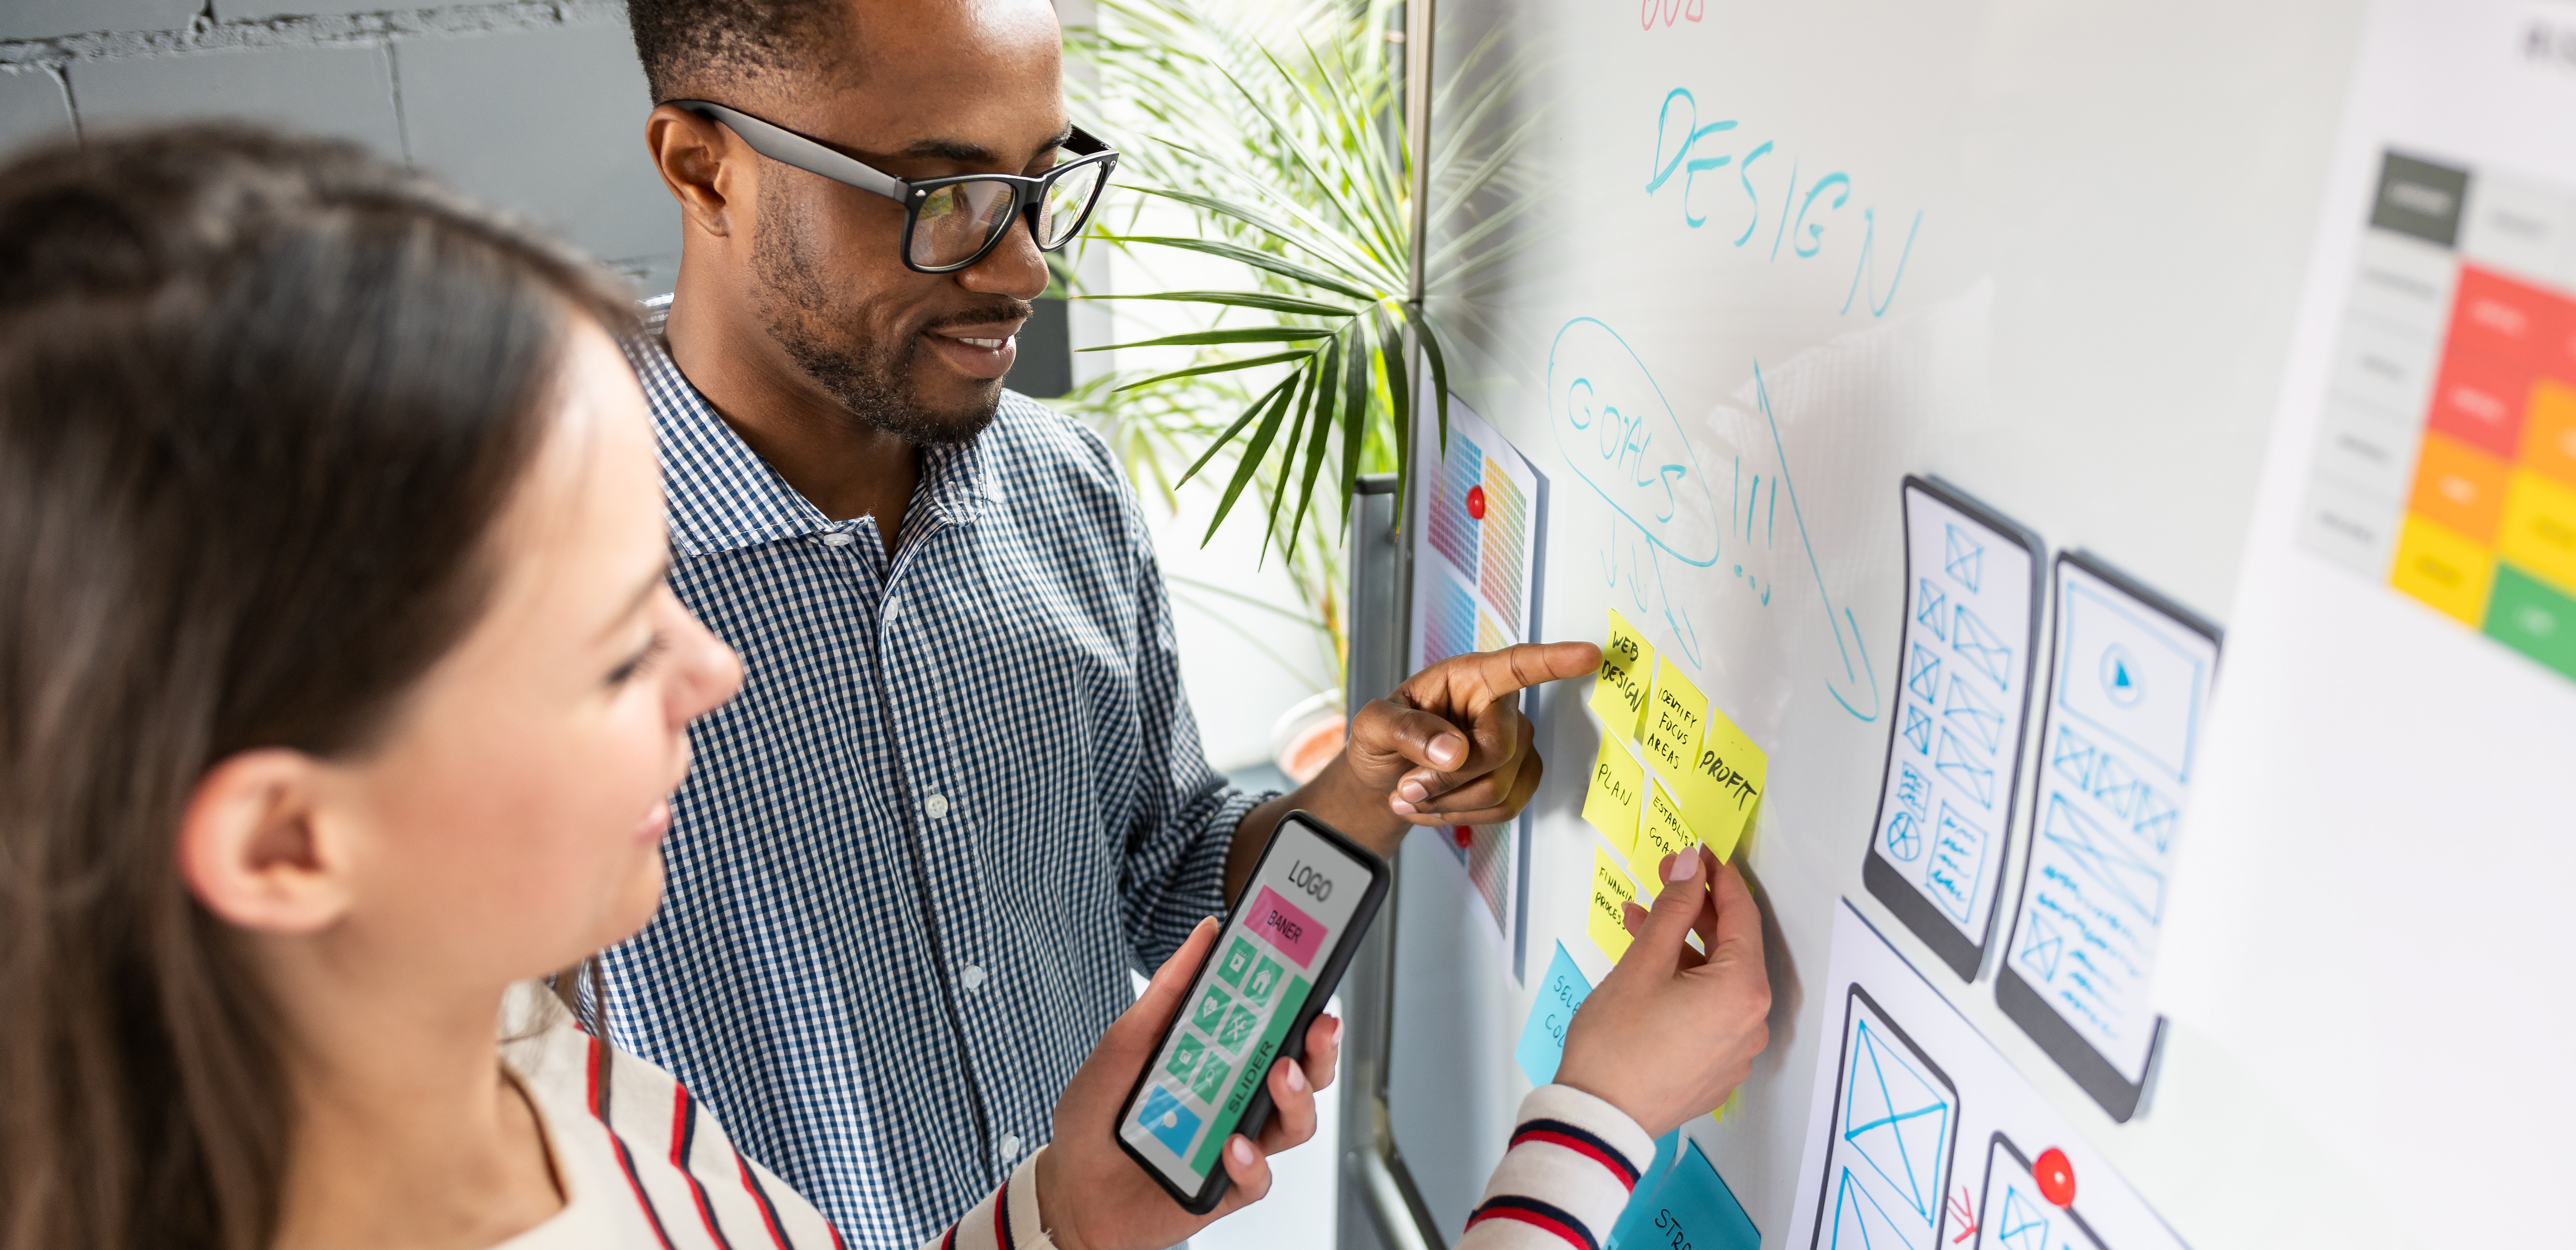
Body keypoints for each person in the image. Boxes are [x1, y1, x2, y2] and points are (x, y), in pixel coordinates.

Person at [0, 129, 1769, 1250]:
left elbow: (1158, 851)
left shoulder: (573, 1104)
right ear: (292, 837)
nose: (707, 665)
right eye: (615, 644)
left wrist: (1066, 1213)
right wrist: (1591, 1124)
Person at [605, 0, 1599, 1240]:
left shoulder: (1065, 488)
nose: (1024, 265)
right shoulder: (519, 599)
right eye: (941, 195)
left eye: (1042, 181)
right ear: (706, 168)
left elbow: (1170, 861)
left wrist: (1367, 781)